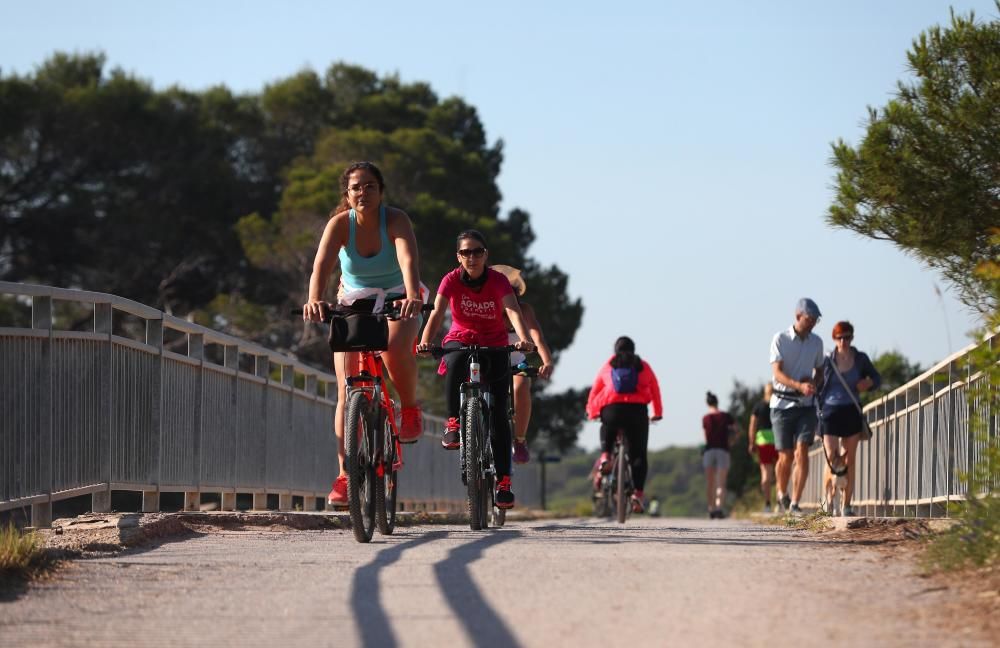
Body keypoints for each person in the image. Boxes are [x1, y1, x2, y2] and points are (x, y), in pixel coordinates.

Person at [302, 161, 427, 506]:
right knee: (347, 390)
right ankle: (345, 474)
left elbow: (407, 259)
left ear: (381, 191)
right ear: (347, 193)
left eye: (370, 186)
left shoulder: (396, 220)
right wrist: (314, 300)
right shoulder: (340, 225)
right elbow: (321, 267)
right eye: (357, 187)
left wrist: (414, 296)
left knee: (397, 345)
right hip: (353, 301)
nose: (364, 193)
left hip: (398, 295)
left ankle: (409, 407)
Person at [416, 230, 535, 509]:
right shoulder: (451, 280)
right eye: (466, 252)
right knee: (455, 360)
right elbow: (436, 312)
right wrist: (424, 341)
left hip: (493, 343)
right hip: (461, 338)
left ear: (486, 254)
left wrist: (522, 337)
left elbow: (513, 310)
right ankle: (454, 423)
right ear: (458, 256)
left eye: (477, 251)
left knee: (498, 417)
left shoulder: (498, 281)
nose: (472, 257)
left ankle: (504, 482)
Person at [585, 336, 663, 513]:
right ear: (634, 350)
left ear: (615, 350)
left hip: (613, 409)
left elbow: (595, 390)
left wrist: (592, 412)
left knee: (607, 426)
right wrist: (657, 413)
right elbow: (655, 388)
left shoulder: (609, 365)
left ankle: (605, 455)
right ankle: (637, 494)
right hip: (637, 412)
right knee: (639, 455)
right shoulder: (643, 366)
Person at [491, 264, 555, 464]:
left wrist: (547, 361)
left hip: (516, 364)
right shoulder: (487, 309)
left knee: (521, 386)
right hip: (489, 362)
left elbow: (537, 337)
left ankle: (519, 440)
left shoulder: (524, 310)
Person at [817, 321, 881, 517]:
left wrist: (867, 383)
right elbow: (817, 386)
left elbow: (877, 379)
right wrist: (815, 412)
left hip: (851, 411)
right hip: (829, 412)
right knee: (831, 456)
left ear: (852, 337)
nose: (843, 341)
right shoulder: (827, 360)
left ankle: (847, 505)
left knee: (849, 459)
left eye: (847, 337)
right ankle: (829, 498)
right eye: (839, 337)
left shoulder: (860, 359)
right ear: (834, 339)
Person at [769, 297, 825, 514]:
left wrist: (813, 382)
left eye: (815, 320)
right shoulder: (780, 339)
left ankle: (795, 502)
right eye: (809, 319)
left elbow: (820, 371)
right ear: (798, 316)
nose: (812, 324)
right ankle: (782, 493)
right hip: (782, 404)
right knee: (786, 455)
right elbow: (777, 373)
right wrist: (797, 385)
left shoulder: (817, 343)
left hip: (806, 405)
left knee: (802, 449)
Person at [702, 391, 738, 519]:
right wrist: (731, 442)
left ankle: (710, 508)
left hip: (709, 450)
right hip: (723, 450)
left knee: (710, 482)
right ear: (717, 402)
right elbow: (735, 431)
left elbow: (705, 438)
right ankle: (719, 508)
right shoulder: (726, 416)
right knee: (721, 483)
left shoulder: (705, 418)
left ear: (707, 403)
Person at [748, 383, 778, 513]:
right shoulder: (778, 404)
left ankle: (767, 503)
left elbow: (752, 426)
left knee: (766, 473)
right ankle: (780, 501)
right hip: (777, 440)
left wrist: (752, 442)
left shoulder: (758, 406)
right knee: (779, 472)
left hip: (763, 442)